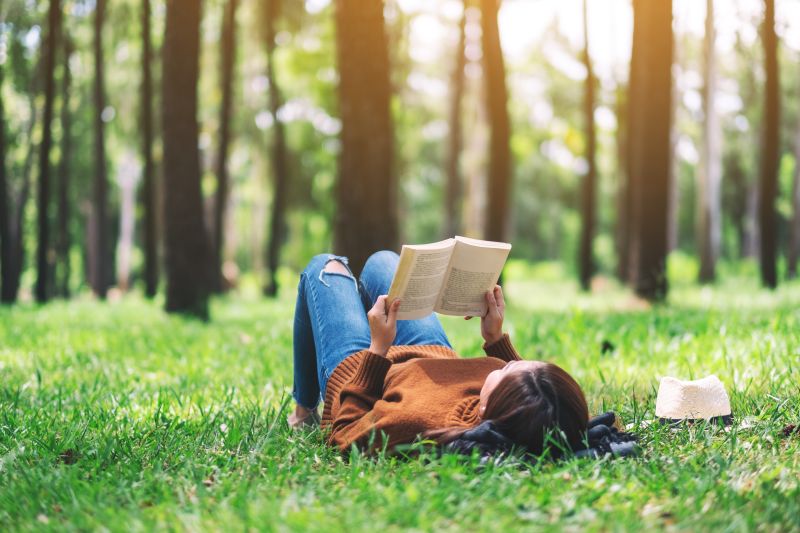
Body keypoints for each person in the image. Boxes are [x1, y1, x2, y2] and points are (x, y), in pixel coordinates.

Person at [290, 250, 590, 456]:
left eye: (504, 371)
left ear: (486, 410)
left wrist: (378, 349)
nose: (503, 364)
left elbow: (345, 434)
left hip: (363, 370)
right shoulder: (531, 411)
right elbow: (534, 394)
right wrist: (495, 337)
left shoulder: (415, 423)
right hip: (431, 353)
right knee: (385, 261)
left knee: (325, 267)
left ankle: (303, 412)